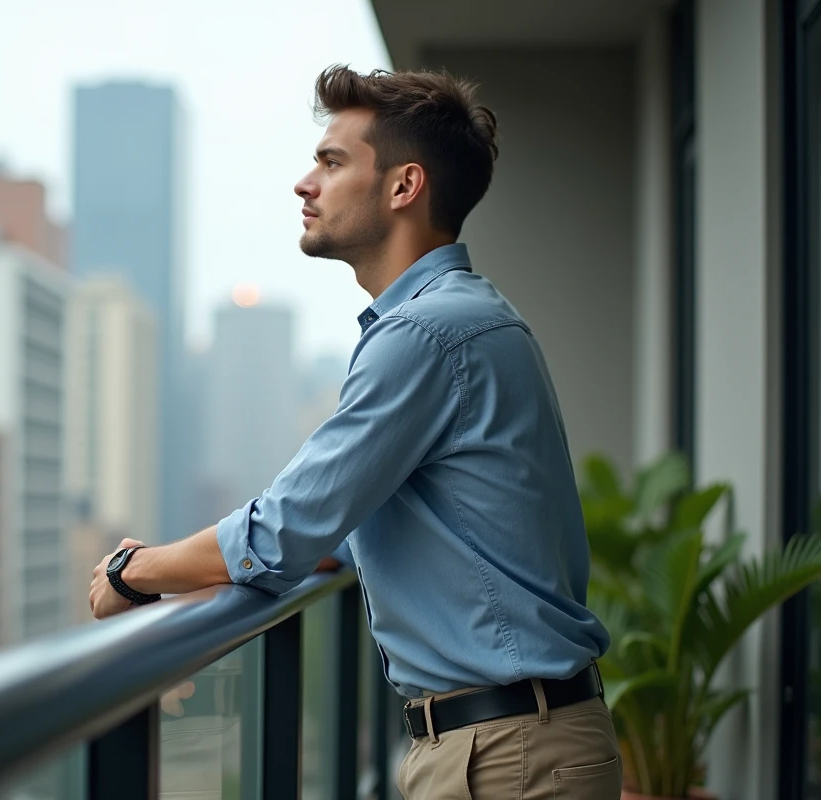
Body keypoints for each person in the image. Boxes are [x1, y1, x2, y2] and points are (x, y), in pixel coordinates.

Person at [88, 64, 621, 799]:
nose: (305, 183)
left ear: (404, 187)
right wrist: (202, 581)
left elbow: (284, 530)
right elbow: (343, 529)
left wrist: (133, 571)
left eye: (332, 161)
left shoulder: (427, 334)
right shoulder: (459, 319)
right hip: (509, 745)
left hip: (507, 758)